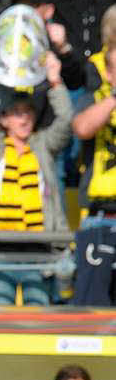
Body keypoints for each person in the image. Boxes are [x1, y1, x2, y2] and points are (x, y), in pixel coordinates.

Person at [0, 46, 72, 306]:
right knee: (0, 309)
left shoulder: (42, 144)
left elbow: (65, 121)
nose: (24, 120)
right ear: (3, 120)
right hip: (1, 246)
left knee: (38, 310)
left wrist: (55, 80)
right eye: (16, 114)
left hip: (39, 247)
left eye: (28, 113)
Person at [72, 44, 116, 306]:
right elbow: (82, 128)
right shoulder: (93, 99)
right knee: (92, 303)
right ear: (109, 73)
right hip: (101, 220)